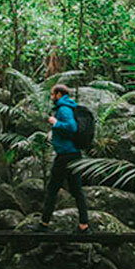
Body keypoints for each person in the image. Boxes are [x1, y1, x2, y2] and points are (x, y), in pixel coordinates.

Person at [42, 84, 89, 232]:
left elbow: (71, 127)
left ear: (59, 94)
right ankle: (84, 225)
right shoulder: (69, 106)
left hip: (65, 155)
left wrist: (55, 123)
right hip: (72, 154)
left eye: (52, 94)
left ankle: (43, 224)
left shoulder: (64, 108)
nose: (51, 97)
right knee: (76, 190)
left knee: (52, 189)